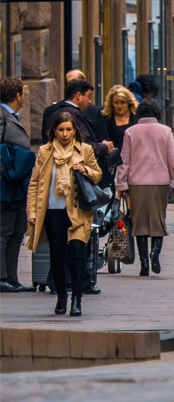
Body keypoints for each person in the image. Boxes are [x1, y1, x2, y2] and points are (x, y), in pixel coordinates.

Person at [25, 112, 101, 316]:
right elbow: (35, 183)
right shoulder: (45, 151)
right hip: (52, 212)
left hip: (78, 213)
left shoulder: (84, 150)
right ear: (54, 131)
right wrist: (32, 211)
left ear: (75, 130)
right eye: (61, 130)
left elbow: (97, 174)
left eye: (69, 129)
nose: (65, 134)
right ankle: (61, 296)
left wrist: (84, 169)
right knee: (57, 258)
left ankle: (77, 299)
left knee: (77, 255)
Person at [116, 98, 174, 277]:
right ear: (157, 113)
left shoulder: (130, 132)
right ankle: (155, 253)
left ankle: (144, 261)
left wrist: (121, 184)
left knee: (140, 223)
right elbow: (173, 159)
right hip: (159, 182)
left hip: (136, 183)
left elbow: (125, 161)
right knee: (158, 220)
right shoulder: (166, 131)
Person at [0, 78, 34, 293]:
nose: (26, 96)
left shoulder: (14, 116)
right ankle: (1, 277)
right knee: (4, 230)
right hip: (5, 183)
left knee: (17, 230)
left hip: (18, 182)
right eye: (24, 92)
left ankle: (12, 278)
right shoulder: (2, 115)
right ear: (18, 95)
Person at [103, 85, 138, 154]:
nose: (119, 106)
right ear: (112, 103)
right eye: (116, 103)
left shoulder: (136, 117)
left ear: (128, 102)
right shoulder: (106, 119)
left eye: (122, 102)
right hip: (114, 159)